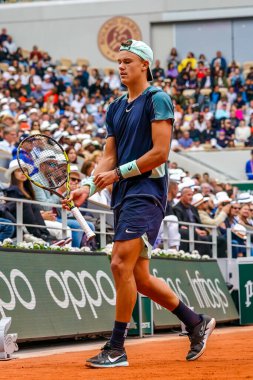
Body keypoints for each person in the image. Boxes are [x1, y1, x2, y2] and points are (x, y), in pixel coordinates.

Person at [62, 39, 215, 368]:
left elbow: (160, 154)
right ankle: (195, 322)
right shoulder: (115, 107)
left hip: (147, 191)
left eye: (127, 61)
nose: (121, 67)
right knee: (140, 277)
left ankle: (116, 347)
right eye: (118, 62)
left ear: (144, 65)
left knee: (119, 264)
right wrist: (87, 185)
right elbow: (108, 156)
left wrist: (116, 175)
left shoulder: (158, 99)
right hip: (123, 194)